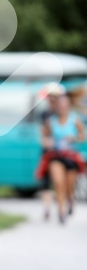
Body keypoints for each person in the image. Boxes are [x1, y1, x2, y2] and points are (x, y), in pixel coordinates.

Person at [37, 92, 85, 223]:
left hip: (71, 156)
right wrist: (47, 142)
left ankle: (70, 199)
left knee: (69, 186)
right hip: (56, 155)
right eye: (60, 105)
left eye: (65, 105)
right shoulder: (50, 122)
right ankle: (61, 211)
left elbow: (82, 136)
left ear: (68, 106)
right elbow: (44, 138)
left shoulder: (75, 120)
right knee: (59, 183)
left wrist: (73, 138)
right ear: (56, 106)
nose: (62, 107)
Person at [38, 83, 66, 221]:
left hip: (62, 151)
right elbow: (42, 133)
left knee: (61, 180)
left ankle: (62, 207)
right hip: (48, 151)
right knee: (46, 180)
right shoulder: (44, 114)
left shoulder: (63, 113)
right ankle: (47, 208)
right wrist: (46, 141)